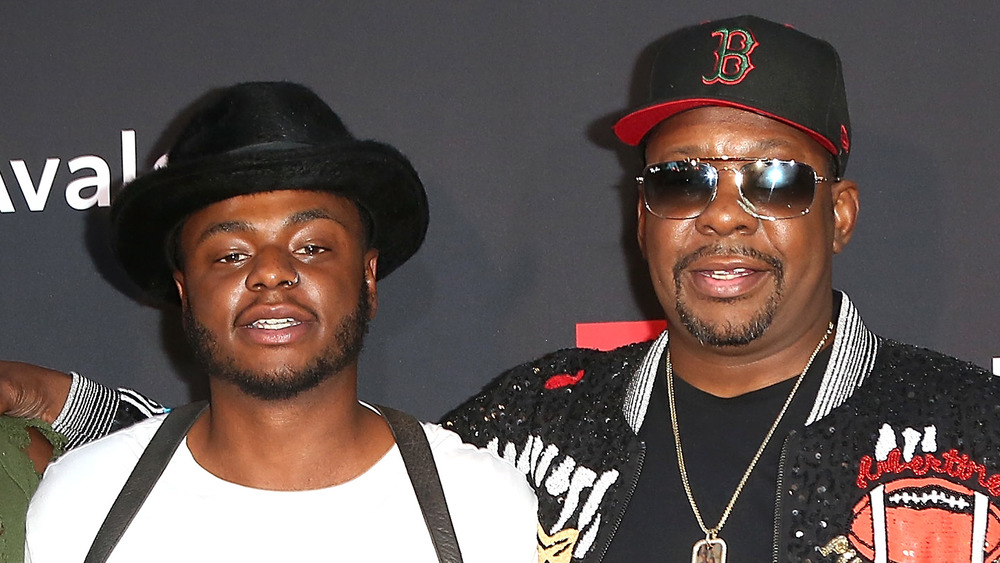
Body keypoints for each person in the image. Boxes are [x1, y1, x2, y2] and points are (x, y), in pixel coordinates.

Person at [4, 14, 998, 563]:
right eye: (680, 176)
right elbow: (309, 465)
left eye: (773, 178)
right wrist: (77, 410)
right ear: (640, 211)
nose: (723, 212)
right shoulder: (531, 426)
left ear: (840, 211)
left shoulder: (978, 431)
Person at [21, 81, 536, 563]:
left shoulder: (479, 505)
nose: (271, 272)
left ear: (368, 277)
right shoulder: (84, 501)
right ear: (185, 292)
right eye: (228, 255)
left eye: (312, 247)